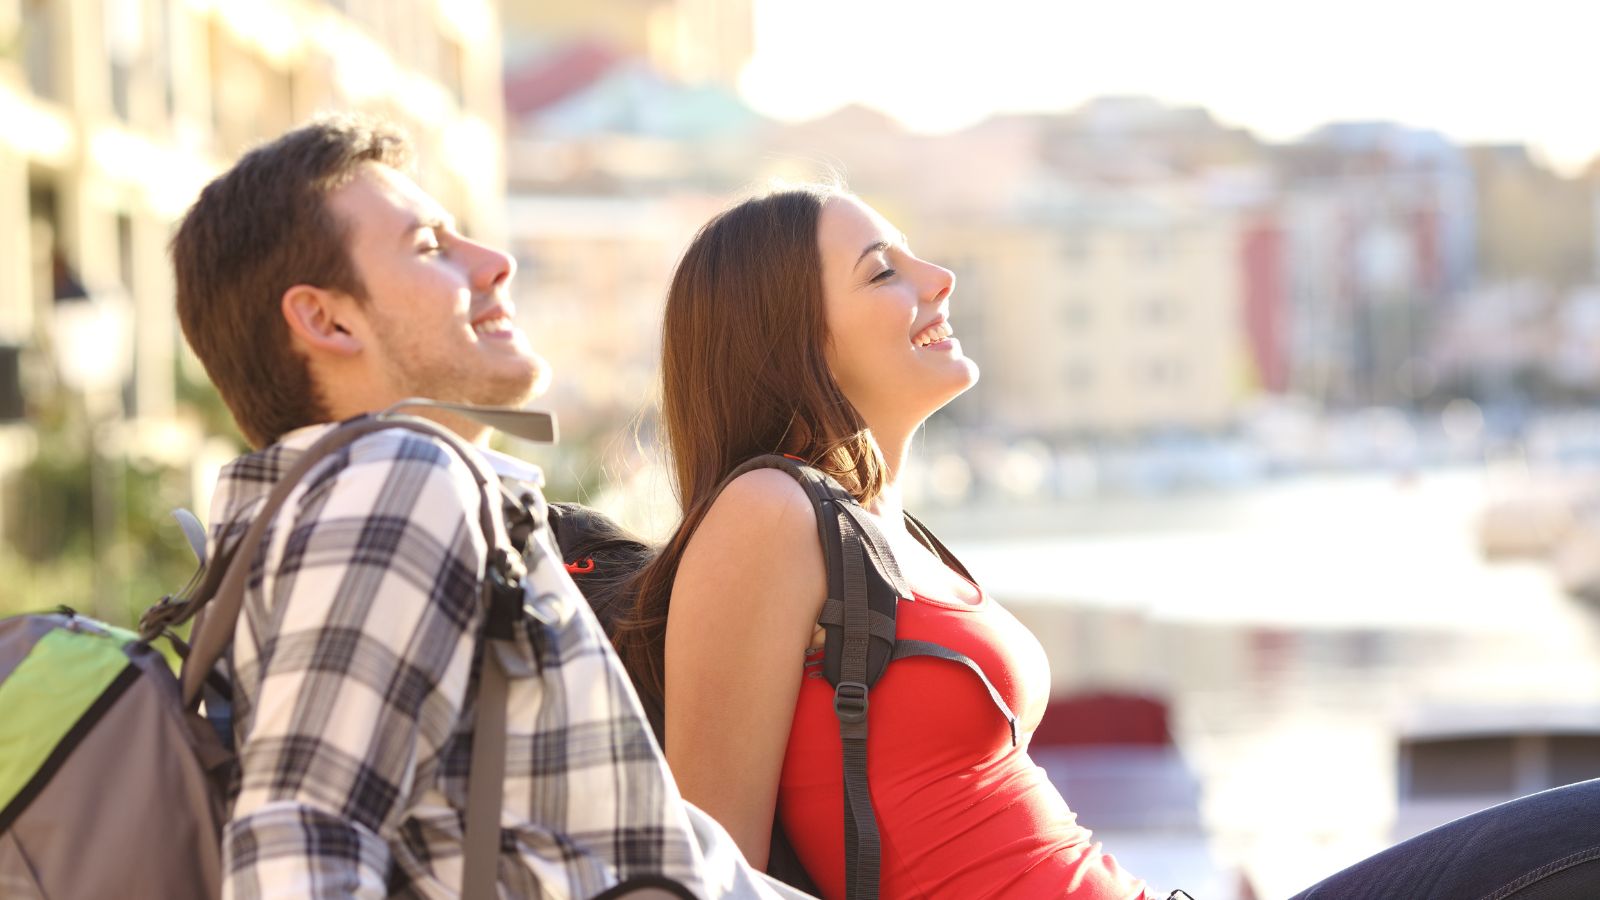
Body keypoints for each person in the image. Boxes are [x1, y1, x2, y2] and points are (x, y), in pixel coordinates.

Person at [605, 185, 1600, 900]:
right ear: (794, 338)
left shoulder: (883, 534)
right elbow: (703, 864)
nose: (939, 278)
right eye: (884, 271)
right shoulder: (767, 512)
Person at [171, 114, 806, 900]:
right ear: (327, 319)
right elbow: (301, 845)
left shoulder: (318, 509)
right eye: (432, 246)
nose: (496, 262)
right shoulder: (392, 476)